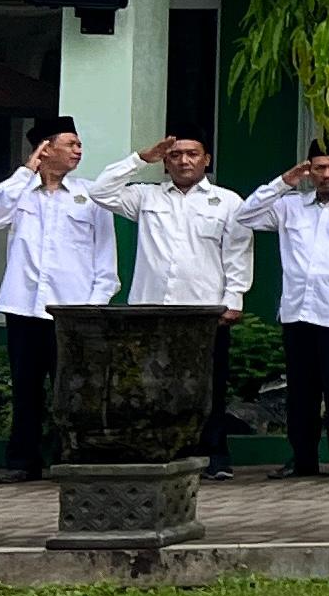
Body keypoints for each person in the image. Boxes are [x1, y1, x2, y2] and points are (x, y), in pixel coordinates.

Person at [93, 136, 257, 478]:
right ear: (165, 163)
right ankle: (162, 452)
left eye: (192, 154)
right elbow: (101, 191)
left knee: (206, 385)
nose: (184, 161)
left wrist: (234, 299)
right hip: (152, 310)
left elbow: (238, 254)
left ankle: (213, 456)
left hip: (204, 312)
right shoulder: (146, 196)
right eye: (176, 155)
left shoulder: (226, 202)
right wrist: (140, 158)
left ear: (206, 159)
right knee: (153, 385)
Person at [0, 119, 117, 482]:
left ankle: (70, 457)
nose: (79, 150)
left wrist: (93, 307)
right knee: (25, 388)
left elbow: (105, 259)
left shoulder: (90, 195)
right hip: (23, 307)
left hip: (73, 311)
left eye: (79, 143)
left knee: (72, 388)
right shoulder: (19, 192)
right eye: (71, 143)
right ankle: (22, 462)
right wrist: (26, 170)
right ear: (45, 149)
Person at [238, 150, 329, 476]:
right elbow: (245, 216)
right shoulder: (290, 206)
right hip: (298, 312)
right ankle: (303, 459)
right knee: (301, 393)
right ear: (309, 171)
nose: (327, 174)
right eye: (320, 168)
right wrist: (283, 183)